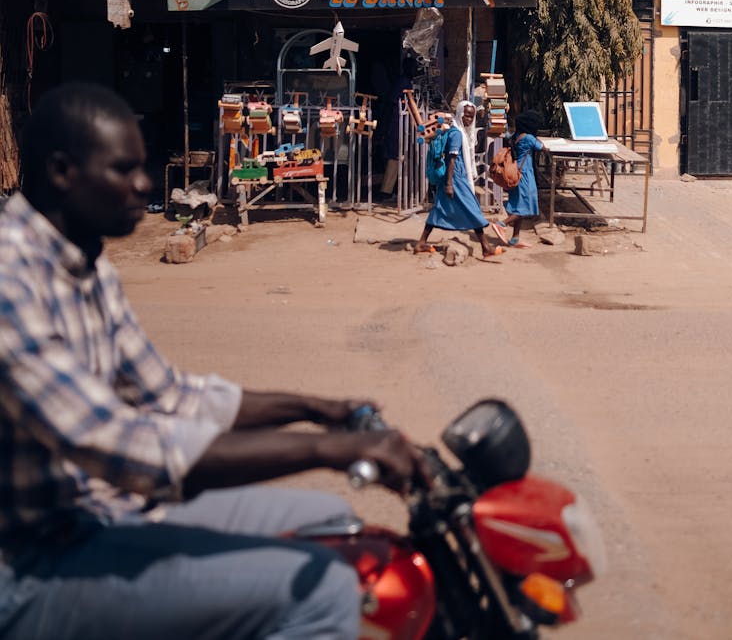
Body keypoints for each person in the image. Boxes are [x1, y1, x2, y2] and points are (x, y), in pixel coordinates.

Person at [0, 82, 428, 640]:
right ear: (62, 172)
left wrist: (322, 409)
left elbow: (174, 398)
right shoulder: (11, 277)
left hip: (113, 513)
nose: (145, 185)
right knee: (326, 590)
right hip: (36, 563)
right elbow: (132, 447)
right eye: (124, 169)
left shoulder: (87, 262)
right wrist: (330, 449)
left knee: (332, 524)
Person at [414, 99, 502, 260]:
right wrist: (449, 184)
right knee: (472, 208)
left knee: (439, 209)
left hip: (455, 176)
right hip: (454, 177)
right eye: (466, 116)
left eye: (471, 117)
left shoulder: (460, 132)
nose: (468, 119)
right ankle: (486, 247)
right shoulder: (456, 133)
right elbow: (452, 158)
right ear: (460, 114)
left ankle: (421, 242)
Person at [504, 110, 545, 247]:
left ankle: (515, 238)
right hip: (526, 175)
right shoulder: (529, 138)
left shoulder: (515, 136)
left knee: (518, 206)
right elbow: (541, 147)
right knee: (526, 207)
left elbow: (506, 134)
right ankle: (501, 224)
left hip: (516, 173)